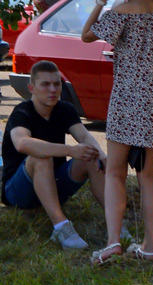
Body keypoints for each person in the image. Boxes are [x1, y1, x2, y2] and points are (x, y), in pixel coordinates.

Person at [81, 0, 153, 265]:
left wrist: (101, 1)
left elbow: (86, 36)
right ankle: (150, 245)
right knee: (148, 175)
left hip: (128, 99)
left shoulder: (121, 12)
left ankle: (113, 242)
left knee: (114, 172)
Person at [1, 61, 107, 250]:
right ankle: (61, 227)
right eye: (45, 84)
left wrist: (102, 155)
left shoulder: (64, 109)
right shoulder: (22, 112)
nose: (52, 90)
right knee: (40, 156)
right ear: (31, 88)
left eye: (57, 84)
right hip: (17, 192)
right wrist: (69, 150)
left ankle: (115, 222)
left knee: (90, 154)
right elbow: (22, 143)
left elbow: (84, 136)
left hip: (54, 185)